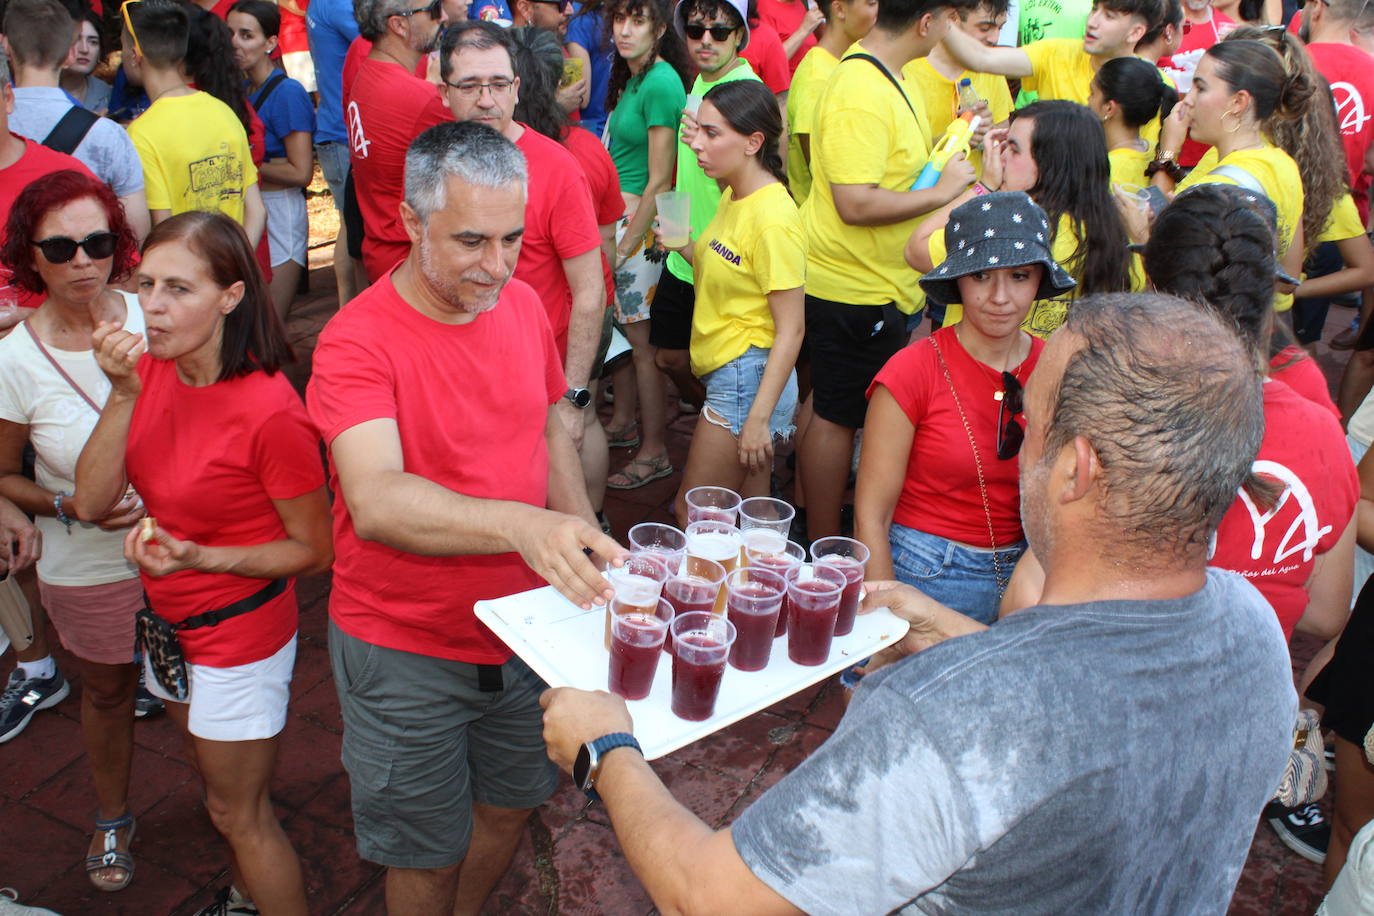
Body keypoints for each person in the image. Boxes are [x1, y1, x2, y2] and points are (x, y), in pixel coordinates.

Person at [541, 291, 1297, 912]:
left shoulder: (945, 716)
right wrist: (967, 643)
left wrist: (607, 749)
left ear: (1076, 470)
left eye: (1028, 425)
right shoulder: (1255, 633)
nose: (1021, 447)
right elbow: (1102, 715)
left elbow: (708, 898)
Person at [305, 120, 625, 916]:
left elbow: (549, 423)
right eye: (472, 241)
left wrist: (580, 532)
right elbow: (375, 500)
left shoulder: (518, 305)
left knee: (512, 803)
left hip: (527, 629)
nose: (499, 266)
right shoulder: (355, 343)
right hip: (406, 647)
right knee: (423, 849)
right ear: (412, 223)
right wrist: (524, 527)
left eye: (514, 239)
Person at [71, 211, 329, 916]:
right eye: (146, 284)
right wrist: (122, 394)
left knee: (237, 814)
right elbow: (91, 502)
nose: (152, 306)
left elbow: (313, 549)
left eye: (178, 289)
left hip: (239, 636)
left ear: (231, 296)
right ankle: (246, 893)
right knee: (222, 795)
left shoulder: (271, 412)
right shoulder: (149, 372)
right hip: (168, 623)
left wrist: (200, 556)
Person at [1140, 184, 1358, 868]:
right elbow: (1325, 612)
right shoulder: (1321, 428)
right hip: (1241, 718)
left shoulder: (1122, 414)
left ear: (1153, 290)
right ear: (1274, 301)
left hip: (1127, 707)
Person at [0, 170, 146, 891]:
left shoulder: (160, 312)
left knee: (199, 693)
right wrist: (62, 508)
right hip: (86, 556)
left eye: (96, 241)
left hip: (187, 546)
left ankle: (231, 807)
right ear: (29, 256)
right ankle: (114, 812)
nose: (82, 260)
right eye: (60, 247)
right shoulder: (15, 359)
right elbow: (4, 475)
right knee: (109, 691)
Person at [795, 0, 971, 542]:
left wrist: (950, 150)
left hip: (880, 282)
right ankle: (822, 542)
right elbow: (855, 202)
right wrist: (945, 191)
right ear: (925, 24)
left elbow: (902, 174)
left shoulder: (898, 76)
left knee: (828, 402)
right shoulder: (860, 91)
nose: (951, 31)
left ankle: (813, 513)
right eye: (949, 20)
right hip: (852, 285)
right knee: (837, 413)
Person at [857, 192, 1074, 623]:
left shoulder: (1059, 368)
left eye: (1018, 276)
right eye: (980, 277)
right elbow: (870, 515)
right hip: (927, 570)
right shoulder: (911, 371)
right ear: (957, 281)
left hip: (1033, 571)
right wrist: (885, 622)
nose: (999, 297)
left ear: (1038, 281)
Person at [659, 80, 804, 520]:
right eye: (697, 131)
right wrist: (684, 246)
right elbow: (726, 271)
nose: (697, 145)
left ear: (753, 142)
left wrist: (758, 418)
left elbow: (792, 328)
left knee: (694, 514)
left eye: (711, 134)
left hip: (748, 378)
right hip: (737, 371)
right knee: (752, 516)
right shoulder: (733, 194)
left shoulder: (773, 218)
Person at [508, 24, 622, 533]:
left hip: (563, 320)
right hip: (584, 310)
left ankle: (580, 525)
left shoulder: (548, 160)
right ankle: (592, 518)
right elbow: (607, 245)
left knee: (565, 421)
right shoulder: (587, 149)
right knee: (586, 414)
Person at [908, 100, 1141, 337]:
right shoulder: (1118, 228)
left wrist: (985, 187)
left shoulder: (1000, 225)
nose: (1001, 155)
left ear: (1051, 164)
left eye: (1013, 148)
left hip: (984, 369)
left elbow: (916, 249)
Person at [645, 0, 760, 457]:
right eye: (695, 31)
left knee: (717, 365)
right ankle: (715, 424)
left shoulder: (744, 91)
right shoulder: (702, 80)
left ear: (740, 36)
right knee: (670, 357)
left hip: (720, 255)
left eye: (719, 32)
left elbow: (760, 177)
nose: (706, 41)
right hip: (682, 247)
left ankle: (726, 441)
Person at [602, 0, 689, 490]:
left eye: (638, 21)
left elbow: (661, 180)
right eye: (619, 19)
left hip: (641, 225)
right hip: (622, 220)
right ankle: (624, 423)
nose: (625, 30)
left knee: (642, 346)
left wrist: (625, 245)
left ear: (659, 28)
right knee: (627, 338)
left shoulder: (658, 81)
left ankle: (654, 451)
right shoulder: (633, 75)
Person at [1154, 40, 1308, 284]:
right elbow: (1288, 278)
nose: (1188, 100)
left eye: (1200, 88)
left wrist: (1168, 151)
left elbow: (1166, 259)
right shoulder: (1282, 163)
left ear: (1238, 102)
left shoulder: (1220, 187)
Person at [121, 0, 266, 245]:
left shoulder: (141, 133)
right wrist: (238, 265)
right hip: (231, 270)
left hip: (184, 276)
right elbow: (257, 211)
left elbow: (162, 226)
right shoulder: (223, 111)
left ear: (135, 55)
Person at [4, 0, 149, 243]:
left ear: (6, 45)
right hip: (81, 273)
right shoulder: (107, 135)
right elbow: (135, 235)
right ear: (70, 53)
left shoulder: (4, 124)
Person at [347, 0, 451, 282]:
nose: (441, 15)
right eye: (433, 8)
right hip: (410, 260)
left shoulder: (366, 73)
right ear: (399, 25)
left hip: (381, 249)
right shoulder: (419, 98)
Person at [229, 0, 318, 319]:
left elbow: (301, 171)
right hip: (251, 208)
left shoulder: (287, 93)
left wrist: (241, 168)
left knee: (270, 323)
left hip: (280, 212)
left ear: (270, 43)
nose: (234, 43)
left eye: (246, 35)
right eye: (229, 33)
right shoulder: (238, 88)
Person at [0, 49, 97, 331]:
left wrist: (39, 323)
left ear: (8, 98)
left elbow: (118, 276)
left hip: (48, 359)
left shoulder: (66, 178)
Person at [942, 0, 1165, 115]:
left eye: (1108, 16)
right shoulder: (1055, 51)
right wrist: (937, 12)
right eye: (1094, 9)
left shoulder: (1153, 85)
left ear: (1136, 32)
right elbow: (982, 59)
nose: (1093, 21)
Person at [904, 0, 1012, 179]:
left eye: (1001, 28)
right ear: (952, 19)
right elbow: (898, 154)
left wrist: (987, 133)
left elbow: (1002, 139)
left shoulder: (990, 67)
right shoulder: (907, 67)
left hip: (975, 199)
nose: (995, 38)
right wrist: (957, 139)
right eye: (984, 28)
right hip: (917, 198)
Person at [783, 0, 878, 204]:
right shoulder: (817, 77)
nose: (878, 13)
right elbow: (820, 169)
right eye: (871, 3)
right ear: (839, 9)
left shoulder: (850, 61)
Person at [307, 0, 366, 303]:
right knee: (353, 226)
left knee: (349, 225)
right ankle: (352, 309)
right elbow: (382, 37)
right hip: (344, 132)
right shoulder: (337, 3)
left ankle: (349, 308)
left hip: (340, 129)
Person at [1089, 56, 1176, 186]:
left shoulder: (1103, 170)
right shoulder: (1156, 152)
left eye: (1092, 93)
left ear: (1109, 108)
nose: (1088, 100)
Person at [60, 8, 114, 113]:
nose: (84, 49)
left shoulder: (108, 96)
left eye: (93, 42)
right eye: (76, 40)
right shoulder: (41, 92)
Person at [756, 0, 823, 70]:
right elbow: (770, 62)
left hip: (813, 74)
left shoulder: (799, 3)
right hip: (791, 79)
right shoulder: (763, 7)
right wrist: (803, 30)